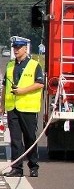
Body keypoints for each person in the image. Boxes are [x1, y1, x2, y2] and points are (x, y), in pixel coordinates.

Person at [0, 36, 44, 178]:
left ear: (25, 49)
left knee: (30, 138)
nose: (16, 50)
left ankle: (33, 166)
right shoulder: (10, 65)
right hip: (12, 107)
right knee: (15, 139)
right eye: (14, 48)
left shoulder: (34, 65)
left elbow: (40, 83)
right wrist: (2, 105)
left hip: (28, 108)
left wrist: (22, 91)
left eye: (19, 48)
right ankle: (17, 168)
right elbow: (5, 86)